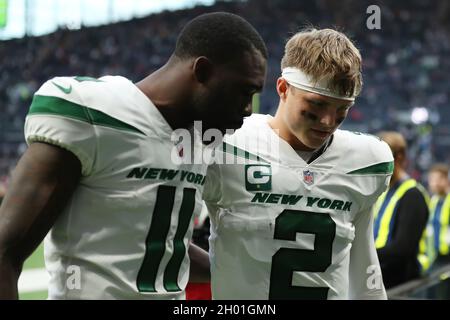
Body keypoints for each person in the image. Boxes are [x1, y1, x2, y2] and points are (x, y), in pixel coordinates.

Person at [0, 12, 267, 299]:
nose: (248, 108)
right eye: (243, 91)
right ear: (201, 72)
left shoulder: (204, 138)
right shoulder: (95, 114)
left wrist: (242, 270)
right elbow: (5, 253)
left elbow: (157, 241)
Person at [203, 28, 393, 299]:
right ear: (283, 88)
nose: (328, 121)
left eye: (342, 109)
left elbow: (363, 262)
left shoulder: (367, 161)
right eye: (316, 105)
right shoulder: (226, 143)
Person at [373, 132, 429, 289]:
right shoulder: (383, 192)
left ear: (399, 158)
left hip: (401, 283)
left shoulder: (412, 195)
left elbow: (403, 248)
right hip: (380, 276)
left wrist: (363, 256)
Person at [418, 163, 450, 272]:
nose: (432, 183)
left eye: (436, 179)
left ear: (445, 180)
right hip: (436, 256)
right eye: (431, 179)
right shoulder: (434, 201)